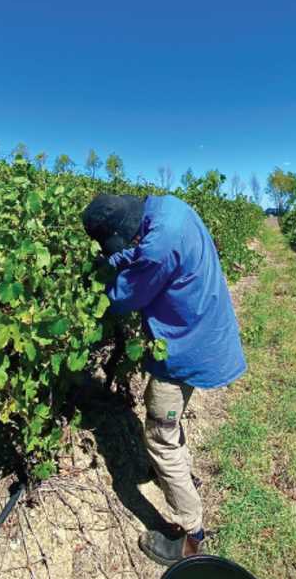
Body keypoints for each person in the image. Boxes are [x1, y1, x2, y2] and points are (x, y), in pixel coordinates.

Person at [82, 193, 247, 566]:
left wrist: (95, 287)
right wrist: (118, 257)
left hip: (184, 348)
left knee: (159, 434)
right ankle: (182, 476)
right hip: (205, 330)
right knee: (170, 429)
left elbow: (126, 297)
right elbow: (143, 258)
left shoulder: (158, 245)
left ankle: (191, 537)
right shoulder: (168, 209)